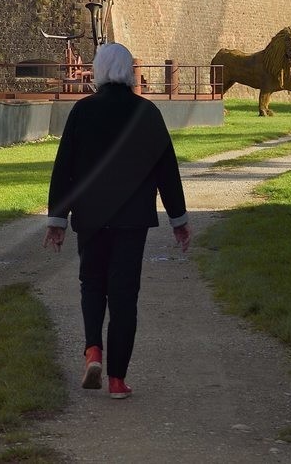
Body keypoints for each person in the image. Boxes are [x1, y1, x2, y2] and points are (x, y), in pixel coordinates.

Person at [44, 42, 189, 399]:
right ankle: (117, 380)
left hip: (90, 218)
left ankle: (93, 349)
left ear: (99, 70)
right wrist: (179, 219)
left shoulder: (82, 111)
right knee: (124, 296)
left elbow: (64, 168)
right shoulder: (147, 113)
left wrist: (57, 220)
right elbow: (167, 170)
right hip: (132, 219)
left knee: (91, 284)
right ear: (128, 72)